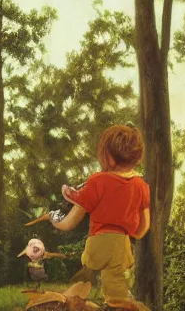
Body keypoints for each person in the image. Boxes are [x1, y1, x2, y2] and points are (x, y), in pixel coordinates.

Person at [51, 124, 150, 310]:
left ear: (109, 157)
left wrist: (58, 217)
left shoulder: (98, 180)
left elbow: (72, 217)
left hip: (98, 241)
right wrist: (132, 232)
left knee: (85, 277)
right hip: (122, 245)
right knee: (117, 295)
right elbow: (143, 227)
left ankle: (61, 303)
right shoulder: (141, 186)